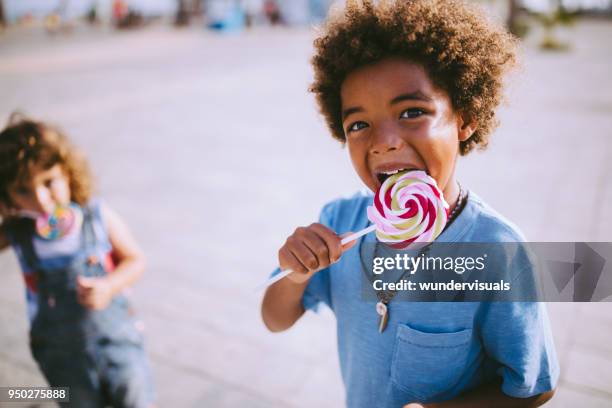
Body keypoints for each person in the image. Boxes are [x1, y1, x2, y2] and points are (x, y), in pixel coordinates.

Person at [261, 1, 559, 407]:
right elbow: (274, 319)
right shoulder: (339, 223)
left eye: (412, 112)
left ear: (465, 119)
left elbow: (535, 387)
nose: (384, 140)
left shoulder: (497, 251)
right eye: (359, 124)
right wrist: (294, 275)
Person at [0, 115, 155, 408]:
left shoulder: (95, 216)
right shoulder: (17, 231)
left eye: (48, 182)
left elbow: (136, 260)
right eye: (23, 190)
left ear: (68, 171)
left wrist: (108, 286)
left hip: (117, 343)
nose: (41, 199)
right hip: (61, 355)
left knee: (137, 399)